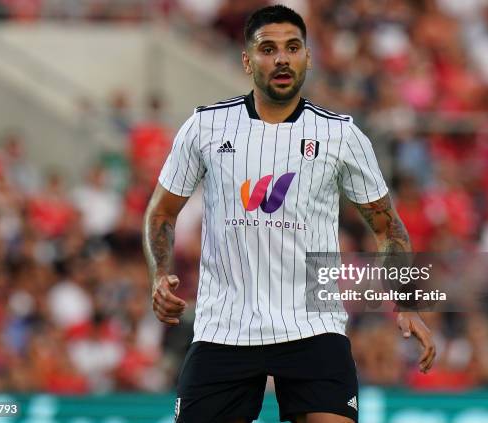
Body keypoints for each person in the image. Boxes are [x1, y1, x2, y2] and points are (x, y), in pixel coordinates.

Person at [143, 5, 436, 423]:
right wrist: (159, 272)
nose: (281, 58)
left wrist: (408, 302)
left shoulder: (341, 135)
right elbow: (161, 212)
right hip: (225, 328)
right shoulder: (204, 127)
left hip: (314, 327)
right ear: (247, 60)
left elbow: (388, 225)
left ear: (308, 58)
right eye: (268, 49)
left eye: (292, 47)